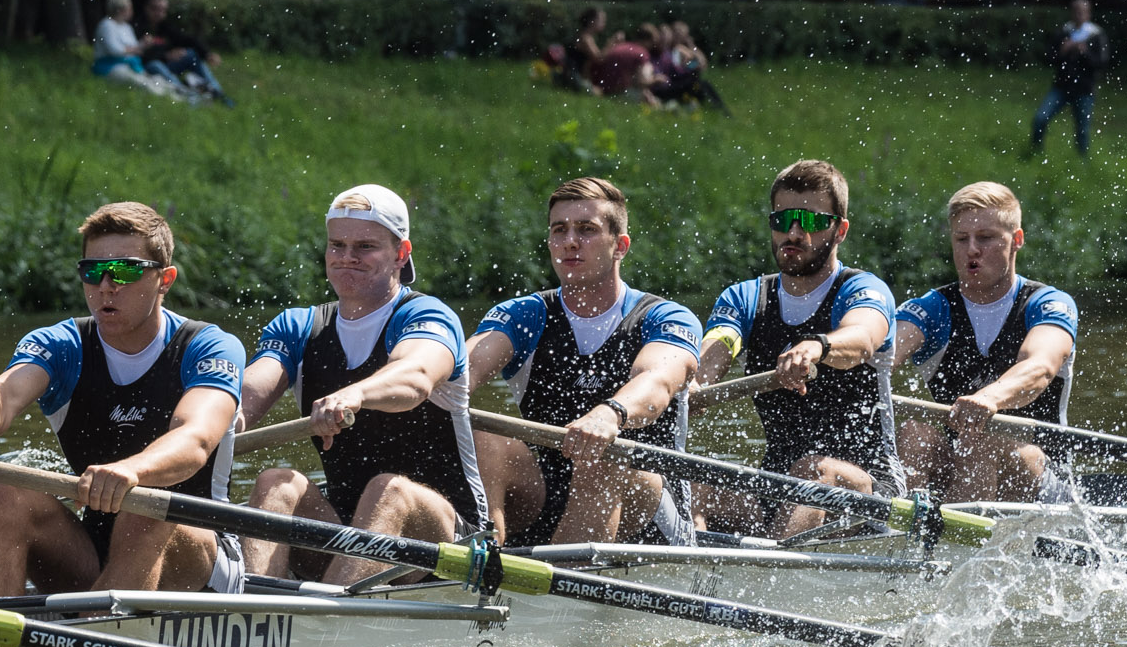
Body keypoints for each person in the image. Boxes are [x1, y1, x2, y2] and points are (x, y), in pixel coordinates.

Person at [0, 203, 247, 596]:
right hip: (95, 547)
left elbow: (195, 439)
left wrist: (133, 470)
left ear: (164, 279)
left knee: (147, 509)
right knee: (6, 496)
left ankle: (92, 634)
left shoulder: (210, 346)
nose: (106, 285)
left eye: (125, 270)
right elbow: (2, 394)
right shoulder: (62, 345)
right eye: (92, 271)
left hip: (201, 557)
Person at [241, 185, 488, 583]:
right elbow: (245, 398)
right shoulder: (298, 327)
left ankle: (324, 618)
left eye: (365, 247)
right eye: (336, 245)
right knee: (276, 483)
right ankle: (252, 615)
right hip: (349, 529)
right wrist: (212, 425)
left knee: (389, 491)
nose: (347, 258)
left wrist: (355, 393)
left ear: (400, 254)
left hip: (452, 542)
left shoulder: (428, 315)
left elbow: (417, 377)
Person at [467, 177, 703, 545]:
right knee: (485, 438)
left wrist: (610, 414)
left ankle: (563, 586)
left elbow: (657, 380)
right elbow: (462, 371)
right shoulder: (525, 315)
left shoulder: (665, 317)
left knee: (602, 455)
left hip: (646, 503)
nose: (570, 241)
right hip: (547, 493)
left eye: (587, 230)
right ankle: (483, 562)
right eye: (559, 230)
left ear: (620, 246)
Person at [694, 159, 903, 535]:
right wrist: (694, 386)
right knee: (694, 485)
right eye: (782, 220)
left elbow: (863, 337)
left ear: (840, 231)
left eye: (810, 221)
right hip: (776, 479)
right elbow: (716, 349)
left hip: (870, 488)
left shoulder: (862, 290)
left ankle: (773, 582)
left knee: (811, 471)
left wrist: (817, 347)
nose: (793, 233)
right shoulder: (746, 298)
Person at [891, 182, 1079, 501]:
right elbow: (878, 355)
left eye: (986, 238)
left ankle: (955, 539)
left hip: (1042, 477)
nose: (972, 250)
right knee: (913, 434)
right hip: (962, 464)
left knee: (982, 438)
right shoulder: (932, 310)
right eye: (962, 239)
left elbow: (1040, 367)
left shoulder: (1047, 304)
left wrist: (990, 398)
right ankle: (907, 531)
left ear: (1016, 240)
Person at [1032, 0, 1108, 158]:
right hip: (1061, 86)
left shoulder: (1096, 35)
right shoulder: (1064, 32)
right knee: (1040, 118)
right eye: (1076, 11)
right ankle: (1035, 151)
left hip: (1084, 89)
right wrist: (1063, 51)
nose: (1079, 15)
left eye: (1082, 12)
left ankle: (1082, 162)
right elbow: (1049, 58)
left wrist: (1084, 52)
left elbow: (1101, 62)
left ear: (1088, 14)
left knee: (1082, 130)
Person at [137, 0, 230, 102]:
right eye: (155, 9)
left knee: (191, 54)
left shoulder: (165, 27)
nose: (159, 13)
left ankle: (217, 91)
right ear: (146, 8)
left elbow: (187, 40)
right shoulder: (137, 27)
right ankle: (187, 93)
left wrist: (207, 54)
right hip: (148, 66)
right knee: (155, 64)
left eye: (163, 10)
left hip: (167, 64)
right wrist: (165, 56)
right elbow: (140, 54)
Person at [92, 0, 177, 96]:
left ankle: (182, 94)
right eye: (130, 7)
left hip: (128, 64)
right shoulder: (106, 25)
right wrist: (134, 49)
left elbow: (134, 48)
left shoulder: (126, 26)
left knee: (157, 79)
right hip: (111, 67)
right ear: (122, 9)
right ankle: (174, 98)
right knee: (143, 83)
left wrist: (143, 44)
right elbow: (115, 51)